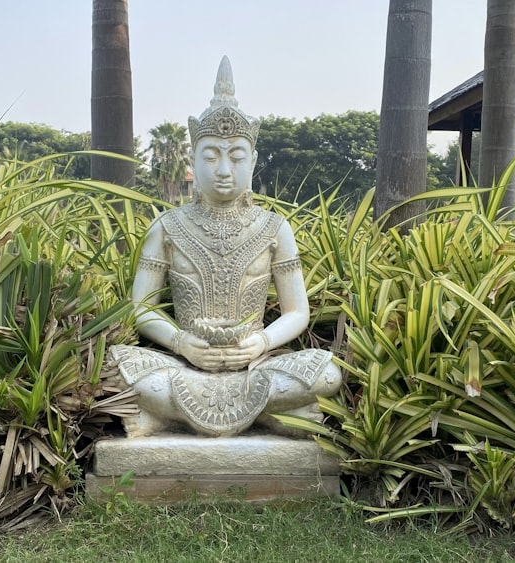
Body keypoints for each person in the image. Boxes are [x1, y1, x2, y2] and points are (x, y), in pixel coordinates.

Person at [109, 56, 341, 437]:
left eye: (236, 158)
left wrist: (259, 343)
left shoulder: (274, 227)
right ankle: (270, 416)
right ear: (194, 159)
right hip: (185, 367)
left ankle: (167, 417)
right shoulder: (167, 227)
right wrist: (182, 343)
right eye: (211, 156)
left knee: (327, 373)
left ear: (253, 161)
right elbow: (139, 309)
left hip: (254, 365)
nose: (223, 171)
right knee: (117, 367)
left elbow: (297, 312)